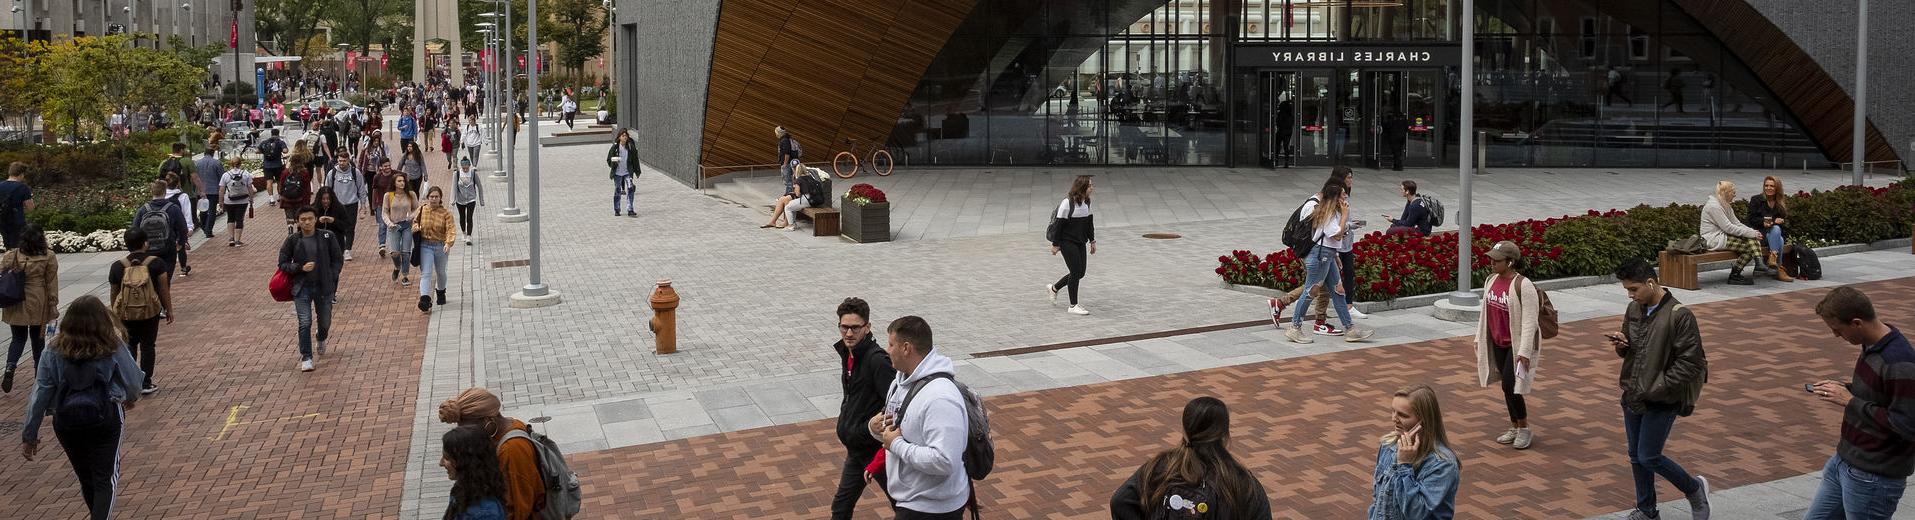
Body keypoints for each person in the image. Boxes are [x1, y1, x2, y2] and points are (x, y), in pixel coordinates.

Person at [19, 295, 145, 520]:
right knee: (106, 478)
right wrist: (130, 396)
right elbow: (134, 381)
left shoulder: (52, 350)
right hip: (105, 415)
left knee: (87, 478)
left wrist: (30, 434)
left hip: (66, 420)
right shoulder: (111, 345)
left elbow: (40, 393)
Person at [1608, 258, 1711, 520]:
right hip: (1633, 394)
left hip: (1662, 398)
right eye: (1627, 291)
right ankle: (1647, 511)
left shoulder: (1680, 315)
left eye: (1634, 289)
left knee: (1649, 456)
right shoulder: (1634, 309)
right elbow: (1632, 349)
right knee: (1635, 457)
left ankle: (1694, 488)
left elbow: (1691, 363)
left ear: (1651, 283)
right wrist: (1623, 344)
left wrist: (1658, 387)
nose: (1631, 295)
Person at [1804, 287, 1915, 519]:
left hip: (1874, 476)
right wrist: (1845, 389)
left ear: (1856, 323)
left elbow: (1907, 424)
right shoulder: (1872, 346)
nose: (1836, 336)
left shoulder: (1899, 363)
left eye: (1838, 330)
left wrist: (1850, 401)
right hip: (1843, 462)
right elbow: (1880, 397)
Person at [866, 316, 970, 519]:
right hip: (911, 501)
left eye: (890, 344)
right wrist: (874, 427)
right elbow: (895, 432)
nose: (887, 351)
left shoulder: (940, 397)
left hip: (933, 509)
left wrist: (896, 444)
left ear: (906, 348)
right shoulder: (899, 382)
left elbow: (945, 461)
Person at [1109, 396, 1272, 520]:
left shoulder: (1161, 467)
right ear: (1225, 434)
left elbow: (1120, 502)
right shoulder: (1241, 481)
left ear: (1185, 429)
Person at [830, 297, 896, 520]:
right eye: (844, 327)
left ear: (867, 327)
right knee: (840, 507)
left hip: (876, 450)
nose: (849, 333)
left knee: (903, 505)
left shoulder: (877, 361)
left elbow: (896, 404)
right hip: (856, 449)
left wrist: (872, 428)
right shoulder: (849, 354)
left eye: (855, 328)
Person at [438, 387, 547, 520]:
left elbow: (519, 508)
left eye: (470, 428)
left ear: (488, 421)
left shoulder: (512, 449)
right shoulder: (507, 428)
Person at [1286, 184, 1375, 343]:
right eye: (1342, 196)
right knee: (1311, 290)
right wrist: (1345, 215)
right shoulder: (1327, 213)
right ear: (1334, 198)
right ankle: (1295, 327)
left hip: (1327, 254)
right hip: (1320, 256)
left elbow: (1331, 238)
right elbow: (1335, 235)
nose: (1345, 198)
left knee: (1338, 290)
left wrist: (1335, 255)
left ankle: (1350, 328)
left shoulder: (1333, 212)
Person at [1475, 241, 1542, 450]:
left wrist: (1524, 352)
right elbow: (1486, 312)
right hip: (1497, 341)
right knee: (1506, 386)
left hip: (1516, 345)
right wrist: (1479, 337)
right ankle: (1514, 426)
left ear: (1510, 261)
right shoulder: (1491, 280)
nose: (1492, 264)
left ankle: (1524, 428)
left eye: (1497, 260)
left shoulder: (1523, 285)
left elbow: (1530, 321)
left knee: (1511, 386)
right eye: (1491, 259)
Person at [1367, 385, 1461, 520]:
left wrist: (1404, 466)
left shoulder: (1443, 463)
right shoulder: (1389, 445)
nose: (1394, 418)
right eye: (1393, 411)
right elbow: (1378, 500)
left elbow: (1416, 513)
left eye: (1402, 415)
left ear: (1424, 421)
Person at [108, 228, 174, 395]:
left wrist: (115, 314)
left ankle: (129, 381)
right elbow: (163, 289)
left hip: (126, 313)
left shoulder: (117, 266)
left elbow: (114, 292)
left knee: (129, 346)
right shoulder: (156, 263)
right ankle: (146, 382)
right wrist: (169, 309)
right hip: (150, 312)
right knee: (148, 346)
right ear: (145, 243)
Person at [279, 206, 342, 372]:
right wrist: (300, 268)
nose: (307, 222)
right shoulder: (293, 240)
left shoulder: (327, 236)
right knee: (304, 322)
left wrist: (332, 275)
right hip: (302, 287)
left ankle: (321, 337)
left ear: (315, 219)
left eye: (310, 219)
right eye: (303, 219)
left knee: (325, 322)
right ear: (298, 222)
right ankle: (306, 357)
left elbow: (337, 259)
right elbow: (283, 263)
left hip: (324, 286)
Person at [1, 224, 56, 393]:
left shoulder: (14, 254)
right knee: (38, 341)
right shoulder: (48, 256)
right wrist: (53, 304)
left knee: (17, 338)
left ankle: (10, 367)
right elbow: (51, 283)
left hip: (16, 300)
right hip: (38, 300)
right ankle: (39, 378)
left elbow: (2, 272)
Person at [1046, 175, 1098, 316]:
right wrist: (1055, 245)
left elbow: (1089, 223)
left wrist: (1092, 241)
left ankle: (1054, 288)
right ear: (1082, 188)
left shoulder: (1087, 202)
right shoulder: (1067, 203)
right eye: (1090, 186)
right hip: (1066, 241)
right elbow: (1058, 226)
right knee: (1075, 271)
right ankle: (1073, 305)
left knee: (1080, 273)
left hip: (1080, 241)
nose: (1092, 188)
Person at [1700, 181, 1763, 286]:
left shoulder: (1725, 205)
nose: (1735, 195)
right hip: (1714, 239)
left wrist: (1752, 232)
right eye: (1733, 192)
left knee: (1750, 240)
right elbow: (1728, 227)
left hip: (1723, 236)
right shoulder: (1714, 206)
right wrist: (1750, 233)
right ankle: (1737, 273)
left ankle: (1758, 263)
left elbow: (1736, 223)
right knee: (1749, 248)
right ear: (1726, 193)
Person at [440, 425, 509, 520]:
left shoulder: (485, 513)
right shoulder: (462, 488)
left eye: (447, 458)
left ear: (465, 462)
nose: (441, 463)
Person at [131, 181, 189, 283]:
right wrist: (180, 243)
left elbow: (134, 230)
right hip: (167, 248)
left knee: (150, 280)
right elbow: (183, 228)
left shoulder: (143, 209)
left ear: (152, 192)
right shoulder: (173, 208)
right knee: (165, 281)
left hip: (147, 250)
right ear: (164, 191)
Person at [1745, 175, 1793, 282]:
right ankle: (1778, 268)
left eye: (1772, 186)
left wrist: (1780, 222)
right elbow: (1751, 220)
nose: (1768, 188)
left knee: (1777, 233)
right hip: (1759, 235)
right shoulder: (1756, 200)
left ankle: (1773, 259)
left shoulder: (1780, 203)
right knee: (1777, 235)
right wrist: (1767, 222)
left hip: (1773, 236)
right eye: (1766, 185)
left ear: (1777, 188)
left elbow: (1783, 225)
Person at [416, 186, 456, 312]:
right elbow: (414, 222)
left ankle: (441, 292)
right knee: (426, 273)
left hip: (440, 246)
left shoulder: (446, 213)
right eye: (431, 197)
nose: (433, 199)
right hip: (425, 245)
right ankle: (425, 299)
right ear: (428, 197)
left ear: (440, 198)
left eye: (436, 197)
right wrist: (416, 227)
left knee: (441, 272)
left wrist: (448, 243)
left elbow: (451, 229)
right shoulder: (422, 209)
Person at [323, 154, 369, 261]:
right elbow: (327, 189)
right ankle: (339, 248)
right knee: (336, 227)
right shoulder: (332, 173)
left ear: (348, 160)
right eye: (340, 160)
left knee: (350, 228)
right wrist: (326, 204)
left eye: (344, 160)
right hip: (337, 204)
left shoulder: (355, 172)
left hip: (351, 204)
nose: (341, 163)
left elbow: (361, 189)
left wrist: (363, 205)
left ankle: (347, 249)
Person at [160, 173, 198, 276]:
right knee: (180, 246)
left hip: (163, 226)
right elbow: (187, 212)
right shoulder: (182, 196)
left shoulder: (161, 196)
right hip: (178, 226)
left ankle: (164, 269)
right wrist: (189, 227)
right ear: (178, 183)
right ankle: (183, 267)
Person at [386, 177, 419, 286]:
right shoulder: (388, 195)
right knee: (395, 253)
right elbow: (384, 212)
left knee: (405, 252)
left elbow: (416, 208)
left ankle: (405, 275)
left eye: (403, 181)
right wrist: (389, 223)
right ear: (394, 183)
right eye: (399, 181)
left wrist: (412, 216)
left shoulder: (411, 194)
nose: (402, 183)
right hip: (394, 226)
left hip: (407, 225)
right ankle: (397, 267)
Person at [218, 157, 256, 247]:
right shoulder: (246, 174)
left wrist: (221, 201)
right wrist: (251, 198)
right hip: (243, 200)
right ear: (240, 163)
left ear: (230, 164)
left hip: (229, 200)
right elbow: (250, 187)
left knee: (230, 218)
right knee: (239, 219)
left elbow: (221, 190)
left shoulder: (226, 175)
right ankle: (238, 240)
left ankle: (231, 239)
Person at [279, 140, 317, 228]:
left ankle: (290, 229)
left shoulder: (286, 172)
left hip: (287, 198)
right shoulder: (305, 171)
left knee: (289, 216)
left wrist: (281, 194)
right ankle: (300, 231)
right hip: (300, 198)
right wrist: (307, 200)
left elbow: (281, 184)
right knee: (300, 215)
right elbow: (306, 187)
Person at [0, 163, 34, 251]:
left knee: (8, 245)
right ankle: (17, 263)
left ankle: (9, 262)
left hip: (2, 220)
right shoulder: (23, 187)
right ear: (21, 174)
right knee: (18, 246)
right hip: (17, 220)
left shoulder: (1, 186)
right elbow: (30, 208)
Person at [192, 146, 224, 239]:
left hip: (200, 190)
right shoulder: (217, 163)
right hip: (213, 190)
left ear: (204, 152)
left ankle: (204, 226)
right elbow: (222, 177)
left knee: (203, 209)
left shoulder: (197, 163)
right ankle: (208, 230)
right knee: (212, 211)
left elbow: (194, 177)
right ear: (213, 153)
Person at [453, 157, 485, 245]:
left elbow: (480, 186)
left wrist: (481, 200)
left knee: (469, 217)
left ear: (469, 166)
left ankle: (469, 236)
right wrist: (453, 199)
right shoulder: (457, 174)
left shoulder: (473, 173)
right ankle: (463, 232)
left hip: (471, 199)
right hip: (460, 199)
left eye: (467, 167)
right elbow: (454, 187)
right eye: (463, 168)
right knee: (462, 216)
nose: (465, 169)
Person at [607, 129, 639, 217]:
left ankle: (630, 209)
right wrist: (613, 162)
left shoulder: (630, 147)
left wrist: (637, 171)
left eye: (626, 136)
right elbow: (609, 159)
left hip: (627, 172)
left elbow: (635, 160)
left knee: (630, 189)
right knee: (617, 191)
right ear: (619, 137)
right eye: (623, 136)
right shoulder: (615, 147)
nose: (625, 137)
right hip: (617, 173)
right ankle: (617, 209)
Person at [369, 159, 396, 257]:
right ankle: (382, 245)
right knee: (382, 224)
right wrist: (373, 205)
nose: (387, 168)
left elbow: (405, 179)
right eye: (385, 166)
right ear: (380, 167)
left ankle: (394, 246)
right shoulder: (377, 177)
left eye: (389, 165)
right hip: (381, 204)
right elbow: (374, 191)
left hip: (394, 204)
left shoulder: (396, 175)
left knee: (393, 224)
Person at [258, 129, 288, 204]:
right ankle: (280, 196)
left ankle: (271, 199)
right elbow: (285, 151)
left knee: (269, 182)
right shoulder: (280, 142)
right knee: (279, 182)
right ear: (278, 134)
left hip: (267, 165)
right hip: (277, 165)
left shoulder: (264, 142)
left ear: (271, 134)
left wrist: (265, 152)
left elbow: (257, 151)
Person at [776, 126, 802, 197]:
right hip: (791, 162)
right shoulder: (787, 139)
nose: (776, 134)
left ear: (779, 133)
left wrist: (784, 164)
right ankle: (791, 194)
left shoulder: (784, 140)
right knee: (792, 179)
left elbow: (786, 153)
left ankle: (788, 195)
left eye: (776, 132)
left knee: (788, 180)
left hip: (787, 163)